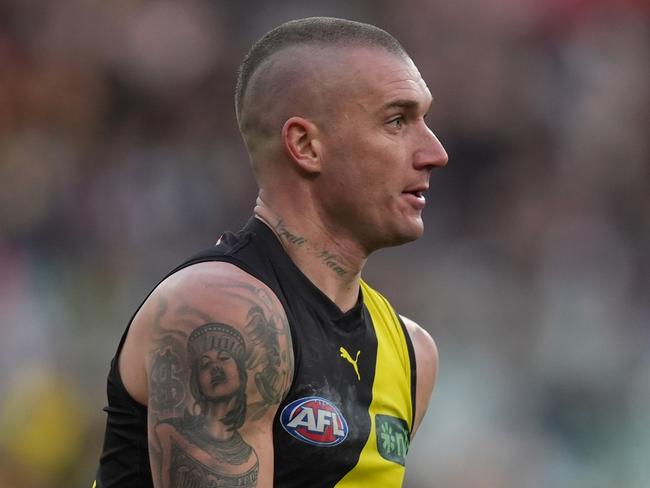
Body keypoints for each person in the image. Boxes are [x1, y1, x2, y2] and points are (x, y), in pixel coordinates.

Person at [94, 16, 448, 488]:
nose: (435, 151)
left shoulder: (410, 353)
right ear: (305, 145)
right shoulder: (221, 313)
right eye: (397, 121)